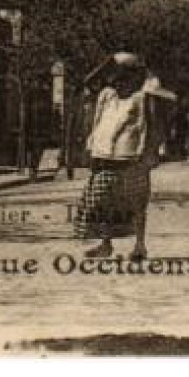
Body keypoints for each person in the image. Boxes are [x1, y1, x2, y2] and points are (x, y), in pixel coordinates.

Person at [74, 52, 158, 261]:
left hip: (131, 157)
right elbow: (89, 82)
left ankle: (140, 245)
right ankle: (105, 244)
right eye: (116, 77)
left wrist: (140, 65)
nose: (119, 82)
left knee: (137, 203)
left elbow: (153, 92)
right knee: (103, 203)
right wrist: (109, 61)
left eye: (124, 77)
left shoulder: (142, 97)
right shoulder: (108, 95)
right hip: (104, 155)